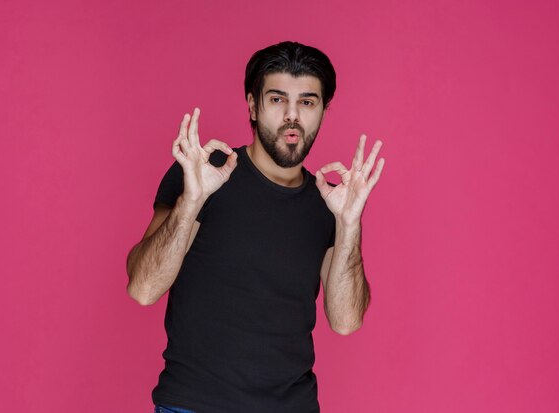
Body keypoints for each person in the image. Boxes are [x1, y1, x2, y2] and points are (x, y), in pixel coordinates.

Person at [126, 41, 385, 413]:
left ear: (323, 111)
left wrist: (349, 224)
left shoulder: (328, 203)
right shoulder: (206, 173)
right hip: (193, 405)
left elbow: (345, 321)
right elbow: (143, 289)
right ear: (252, 104)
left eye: (307, 102)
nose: (292, 116)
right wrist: (191, 203)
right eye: (278, 99)